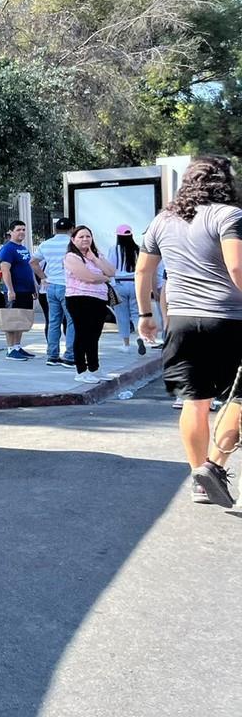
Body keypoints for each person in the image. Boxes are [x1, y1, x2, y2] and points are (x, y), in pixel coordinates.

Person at [136, 155, 242, 506]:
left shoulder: (163, 221)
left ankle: (199, 478)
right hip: (228, 320)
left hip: (181, 321)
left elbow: (143, 273)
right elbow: (237, 266)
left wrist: (146, 314)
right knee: (236, 399)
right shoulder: (229, 215)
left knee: (195, 402)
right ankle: (214, 466)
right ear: (224, 181)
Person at [63, 225, 115, 384]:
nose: (85, 239)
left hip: (99, 299)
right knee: (82, 334)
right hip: (79, 298)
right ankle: (81, 370)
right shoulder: (72, 257)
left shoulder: (96, 255)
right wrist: (104, 278)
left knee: (95, 335)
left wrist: (94, 259)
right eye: (81, 237)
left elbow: (111, 271)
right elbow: (88, 277)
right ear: (73, 239)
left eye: (88, 236)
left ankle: (94, 368)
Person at [31, 217, 76, 369]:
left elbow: (33, 262)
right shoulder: (72, 243)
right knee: (71, 321)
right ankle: (70, 356)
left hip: (51, 286)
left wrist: (44, 277)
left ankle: (52, 355)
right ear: (72, 229)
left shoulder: (46, 244)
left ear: (55, 229)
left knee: (53, 322)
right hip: (68, 287)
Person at [0, 220, 39, 360]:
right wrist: (10, 290)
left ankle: (17, 346)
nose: (21, 232)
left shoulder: (24, 248)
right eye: (18, 229)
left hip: (26, 290)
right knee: (12, 320)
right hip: (15, 291)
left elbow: (29, 269)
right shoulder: (8, 249)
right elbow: (5, 270)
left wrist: (33, 287)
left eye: (23, 229)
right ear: (11, 232)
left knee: (21, 319)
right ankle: (10, 349)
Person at [107, 224, 143, 354]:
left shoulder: (113, 249)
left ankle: (126, 344)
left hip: (119, 284)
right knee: (136, 313)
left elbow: (110, 269)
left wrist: (112, 285)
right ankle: (140, 336)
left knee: (122, 315)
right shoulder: (138, 249)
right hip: (135, 284)